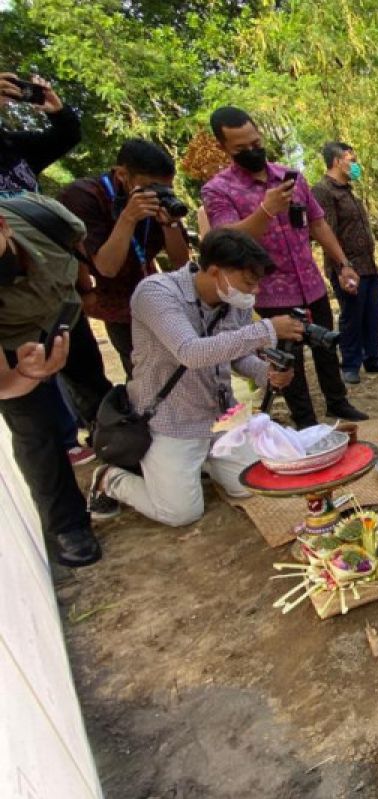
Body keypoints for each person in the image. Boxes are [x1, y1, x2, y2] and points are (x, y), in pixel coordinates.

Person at [87, 230, 301, 527]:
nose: (254, 292)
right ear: (216, 272)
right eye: (248, 282)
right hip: (172, 418)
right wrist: (267, 331)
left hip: (222, 414)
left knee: (253, 483)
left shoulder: (236, 302)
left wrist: (265, 373)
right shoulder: (156, 293)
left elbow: (236, 355)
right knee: (181, 514)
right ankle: (111, 479)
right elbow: (191, 352)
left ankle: (200, 464)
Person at [201, 106, 366, 426]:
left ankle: (338, 403)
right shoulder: (218, 190)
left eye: (255, 143)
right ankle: (305, 420)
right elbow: (227, 242)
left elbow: (317, 224)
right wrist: (266, 210)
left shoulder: (290, 177)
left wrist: (342, 263)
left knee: (326, 347)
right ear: (223, 148)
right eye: (241, 149)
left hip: (310, 283)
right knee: (288, 360)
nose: (252, 151)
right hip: (270, 293)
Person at [1, 71, 107, 465]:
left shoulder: (12, 147)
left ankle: (110, 443)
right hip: (9, 291)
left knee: (84, 369)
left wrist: (57, 111)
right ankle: (63, 446)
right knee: (31, 398)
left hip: (52, 279)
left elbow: (65, 138)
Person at [0, 194, 102, 566]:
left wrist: (87, 291)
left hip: (66, 319)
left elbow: (75, 250)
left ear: (3, 226)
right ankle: (67, 526)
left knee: (96, 394)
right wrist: (25, 375)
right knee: (35, 432)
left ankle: (124, 472)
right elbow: (2, 383)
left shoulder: (42, 214)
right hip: (14, 347)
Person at [58, 139, 191, 380]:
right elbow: (106, 268)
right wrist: (128, 219)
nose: (158, 194)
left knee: (180, 367)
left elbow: (182, 262)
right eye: (151, 187)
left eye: (165, 188)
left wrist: (170, 225)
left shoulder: (160, 200)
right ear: (122, 174)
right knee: (146, 373)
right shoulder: (84, 196)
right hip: (115, 303)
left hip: (154, 295)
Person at [311, 141, 378, 384]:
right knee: (351, 316)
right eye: (353, 159)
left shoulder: (347, 190)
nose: (356, 165)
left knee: (372, 314)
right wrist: (341, 267)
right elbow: (326, 232)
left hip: (368, 265)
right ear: (338, 161)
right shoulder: (323, 192)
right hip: (347, 267)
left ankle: (373, 357)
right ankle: (350, 363)